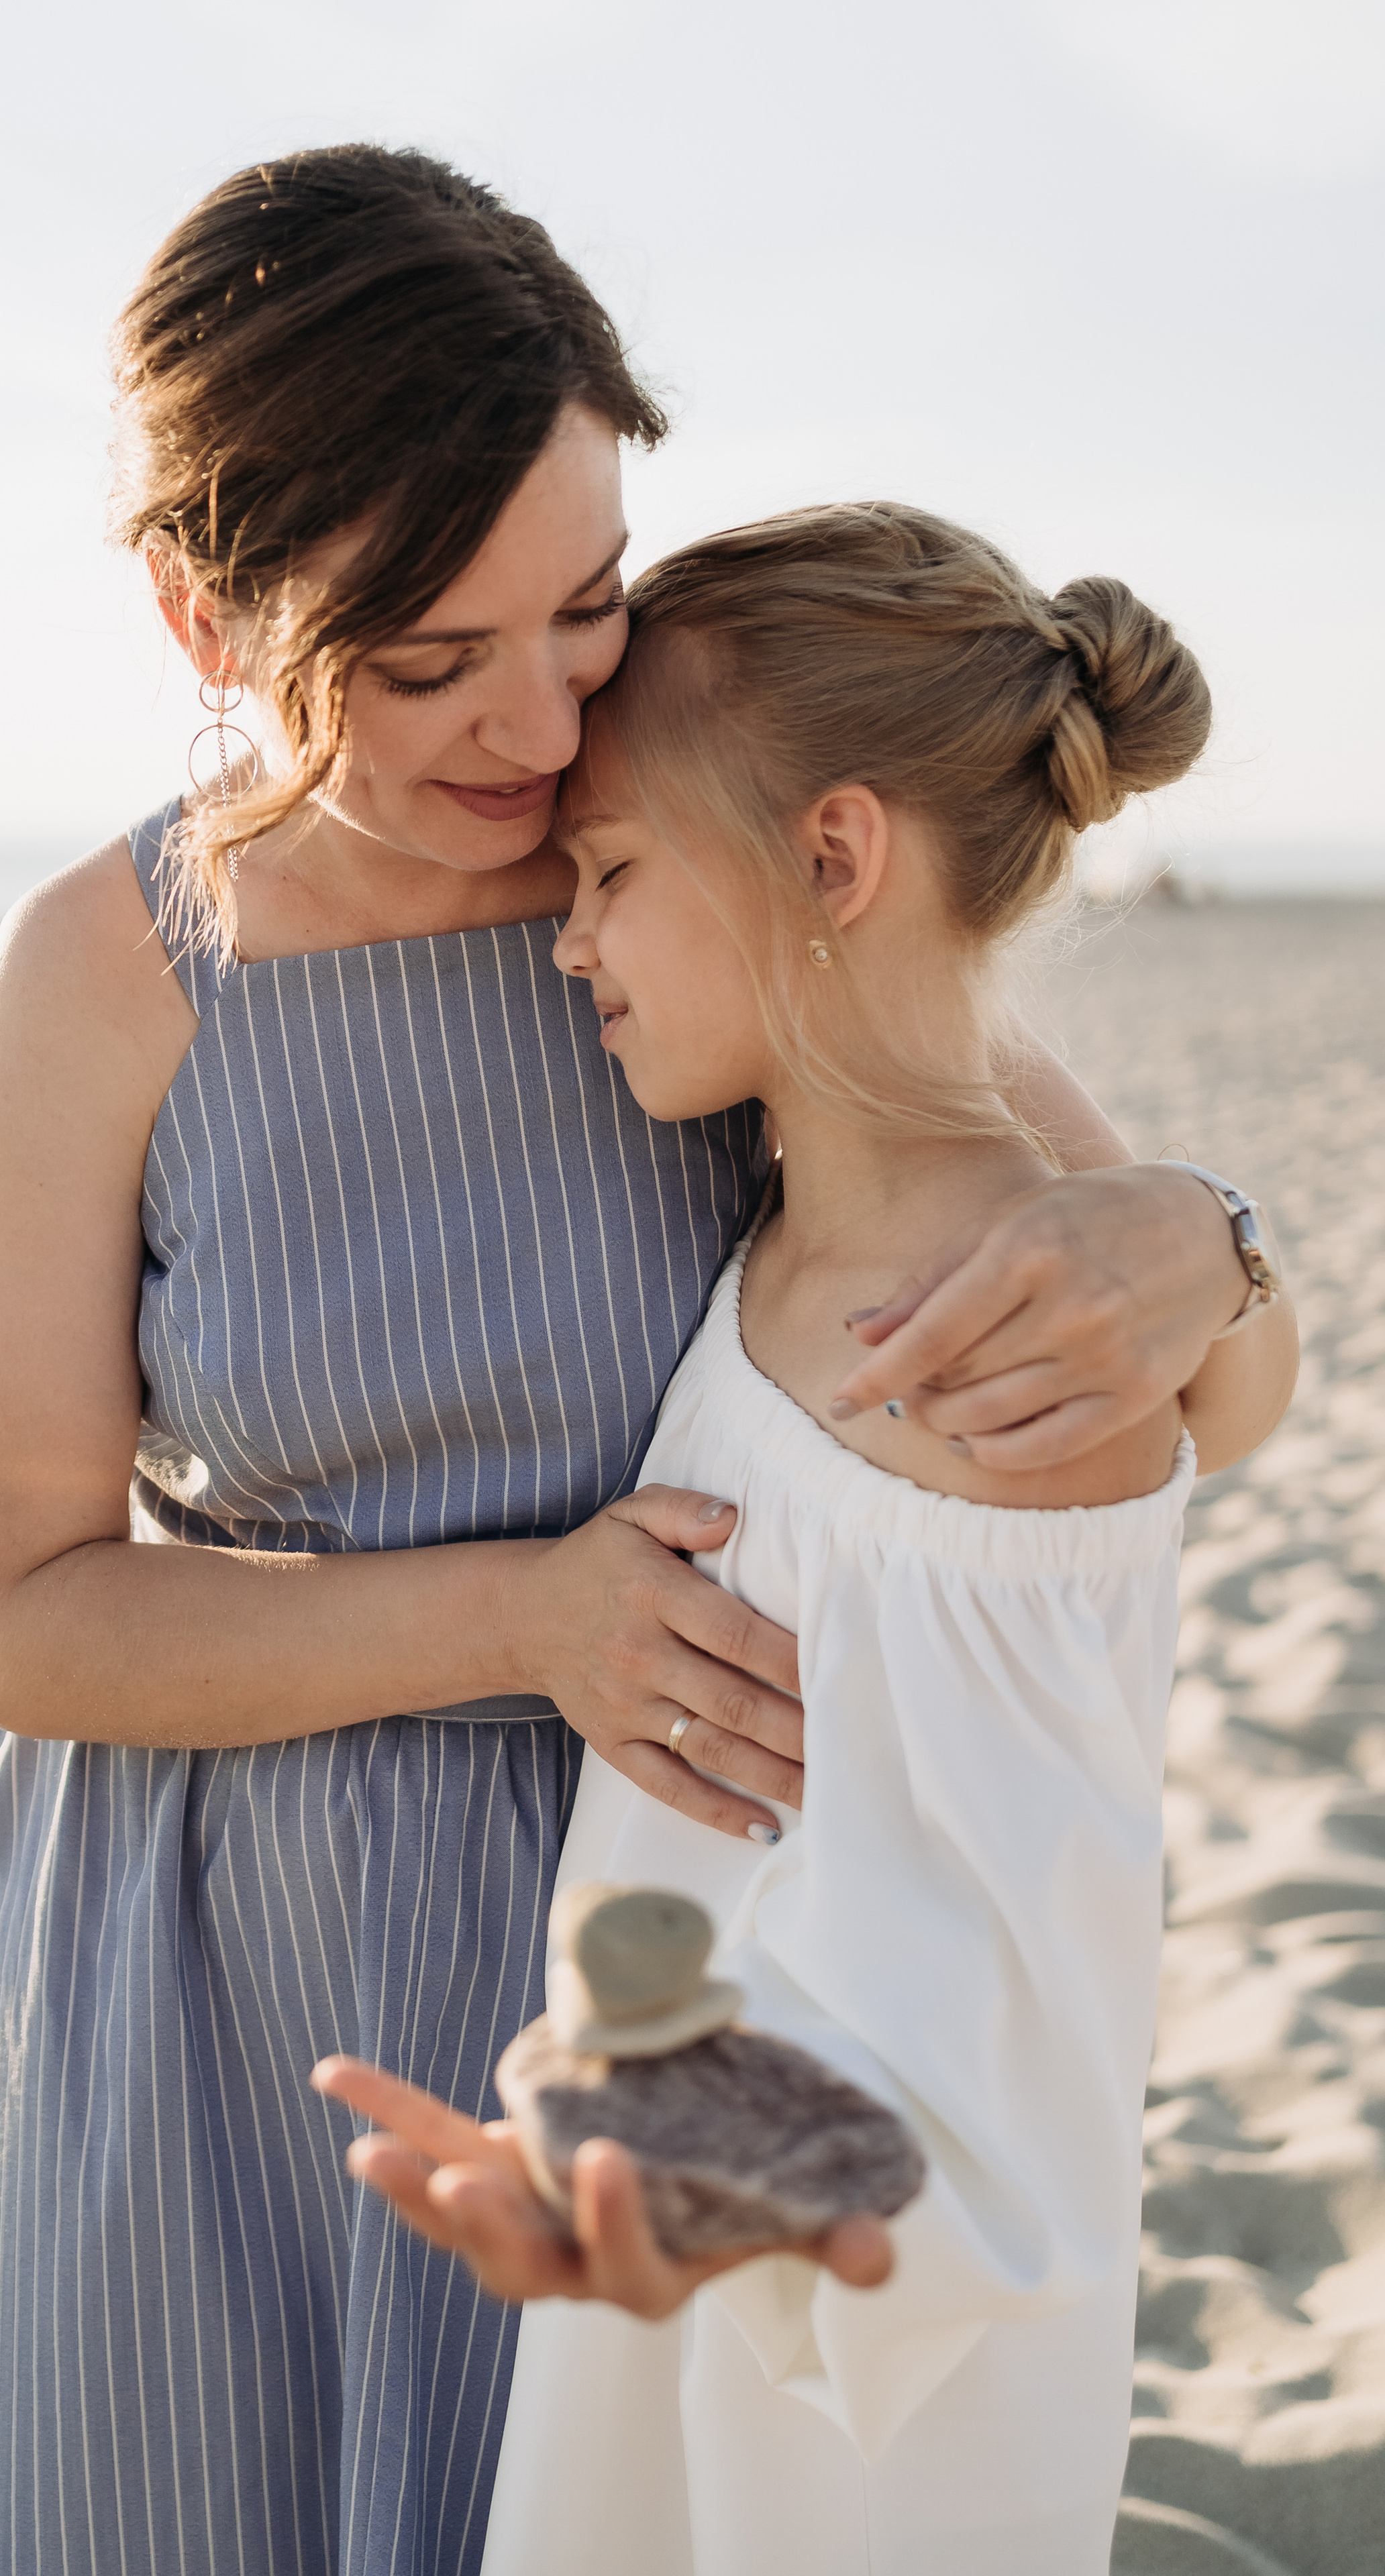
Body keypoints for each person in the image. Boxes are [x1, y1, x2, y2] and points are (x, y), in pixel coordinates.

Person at [0, 144, 1296, 2576]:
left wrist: (1210, 1242)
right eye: (430, 662)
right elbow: (20, 1608)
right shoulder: (108, 975)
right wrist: (518, 1615)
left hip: (670, 1952)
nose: (541, 719)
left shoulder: (681, 861)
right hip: (227, 1979)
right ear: (203, 609)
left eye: (589, 606)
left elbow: (1184, 1372)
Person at [316, 504, 1296, 2576]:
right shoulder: (810, 1222)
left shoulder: (982, 1372)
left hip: (846, 2392)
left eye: (609, 874)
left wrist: (709, 2188)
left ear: (835, 860)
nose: (566, 937)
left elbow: (1013, 2005)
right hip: (672, 2269)